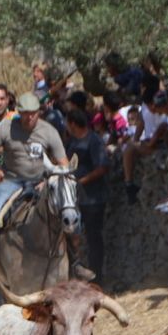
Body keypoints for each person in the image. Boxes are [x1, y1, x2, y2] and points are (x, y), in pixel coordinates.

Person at [0, 91, 86, 282]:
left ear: (39, 112)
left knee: (69, 213)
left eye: (33, 113)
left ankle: (76, 263)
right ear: (18, 112)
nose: (29, 117)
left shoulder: (49, 131)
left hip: (41, 182)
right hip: (11, 182)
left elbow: (63, 162)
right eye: (25, 113)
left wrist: (53, 178)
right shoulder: (6, 128)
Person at [65, 107, 110, 281]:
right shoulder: (70, 143)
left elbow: (102, 167)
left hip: (93, 198)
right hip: (74, 199)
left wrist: (81, 181)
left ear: (73, 124)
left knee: (93, 238)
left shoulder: (94, 141)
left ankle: (97, 278)